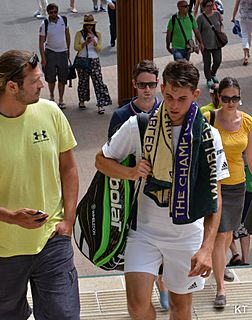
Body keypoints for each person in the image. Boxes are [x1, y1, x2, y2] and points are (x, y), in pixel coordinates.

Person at [96, 60, 229, 320]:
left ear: (195, 95)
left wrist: (206, 248)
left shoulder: (209, 135)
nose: (174, 105)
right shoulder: (140, 125)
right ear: (161, 88)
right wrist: (131, 173)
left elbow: (215, 196)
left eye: (182, 98)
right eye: (168, 96)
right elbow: (101, 161)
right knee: (136, 306)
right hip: (144, 232)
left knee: (180, 308)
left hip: (187, 235)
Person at [0, 49, 80, 319]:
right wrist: (11, 217)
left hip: (52, 240)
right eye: (34, 80)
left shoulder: (51, 113)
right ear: (12, 87)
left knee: (64, 316)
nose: (42, 84)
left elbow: (68, 167)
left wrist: (69, 219)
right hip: (3, 251)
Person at [107, 60, 169, 311]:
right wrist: (130, 171)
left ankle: (162, 284)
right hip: (130, 193)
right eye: (142, 84)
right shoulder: (122, 116)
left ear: (158, 85)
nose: (146, 89)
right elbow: (110, 155)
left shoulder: (167, 110)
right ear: (134, 84)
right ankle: (149, 285)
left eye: (151, 85)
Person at [204, 76, 252, 308]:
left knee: (229, 234)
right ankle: (221, 288)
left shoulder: (248, 122)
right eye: (226, 98)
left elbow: (250, 158)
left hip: (238, 185)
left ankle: (218, 267)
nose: (231, 102)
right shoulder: (208, 119)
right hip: (215, 185)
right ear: (218, 98)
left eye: (235, 98)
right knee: (220, 234)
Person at [74, 14, 112, 114]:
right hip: (82, 59)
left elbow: (99, 49)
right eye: (87, 25)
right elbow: (76, 47)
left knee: (98, 82)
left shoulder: (98, 34)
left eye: (91, 25)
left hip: (94, 60)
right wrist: (85, 43)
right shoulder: (79, 34)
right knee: (83, 81)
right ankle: (82, 100)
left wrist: (94, 42)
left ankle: (101, 104)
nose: (89, 27)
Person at [39, 3, 70, 109]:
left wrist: (68, 50)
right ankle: (52, 97)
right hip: (50, 53)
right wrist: (43, 58)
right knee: (51, 77)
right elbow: (41, 42)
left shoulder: (63, 20)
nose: (53, 14)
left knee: (63, 77)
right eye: (51, 12)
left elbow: (67, 35)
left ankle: (61, 99)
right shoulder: (45, 24)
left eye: (55, 12)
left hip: (62, 52)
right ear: (48, 13)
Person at [197, 0, 224, 89]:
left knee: (218, 60)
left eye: (211, 5)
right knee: (207, 62)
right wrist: (199, 43)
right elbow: (198, 32)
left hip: (216, 43)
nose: (210, 7)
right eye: (208, 6)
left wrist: (222, 32)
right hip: (205, 44)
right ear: (204, 7)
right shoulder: (200, 18)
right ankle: (209, 79)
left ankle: (212, 74)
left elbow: (221, 24)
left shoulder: (217, 14)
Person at [232, 0, 252, 66]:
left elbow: (236, 7)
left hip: (243, 18)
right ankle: (248, 51)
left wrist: (233, 17)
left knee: (245, 35)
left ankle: (246, 55)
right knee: (249, 35)